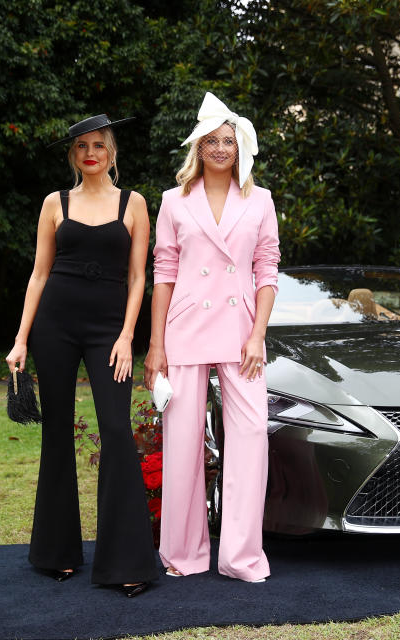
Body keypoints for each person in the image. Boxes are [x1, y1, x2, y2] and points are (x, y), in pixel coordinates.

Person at [5, 114, 158, 597]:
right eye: (80, 147)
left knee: (115, 431)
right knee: (57, 432)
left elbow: (139, 278)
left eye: (98, 145)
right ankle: (56, 553)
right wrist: (21, 338)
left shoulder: (134, 204)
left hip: (109, 330)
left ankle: (126, 563)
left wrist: (127, 335)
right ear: (73, 156)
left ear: (111, 151)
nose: (89, 153)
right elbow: (38, 275)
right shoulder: (56, 203)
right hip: (55, 325)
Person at [144, 92, 280, 583]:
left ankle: (241, 557)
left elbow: (267, 271)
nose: (221, 148)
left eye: (229, 140)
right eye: (213, 141)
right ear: (199, 148)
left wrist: (258, 334)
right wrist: (156, 343)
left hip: (243, 330)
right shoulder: (172, 202)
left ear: (240, 147)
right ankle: (183, 554)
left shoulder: (260, 200)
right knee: (182, 444)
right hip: (185, 328)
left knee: (249, 438)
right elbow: (164, 271)